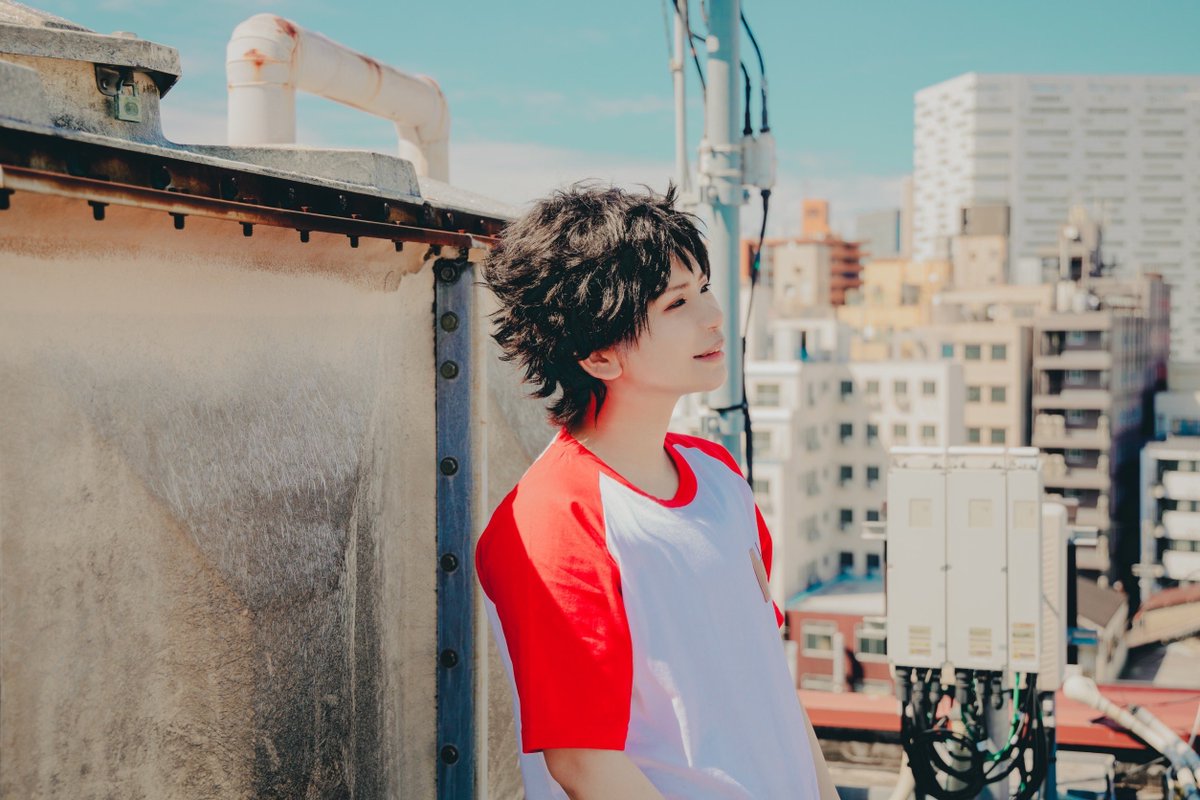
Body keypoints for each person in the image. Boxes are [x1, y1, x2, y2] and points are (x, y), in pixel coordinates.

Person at [475, 183, 839, 799]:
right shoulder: (555, 517)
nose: (713, 315)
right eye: (677, 303)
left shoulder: (717, 474)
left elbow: (770, 680)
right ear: (599, 356)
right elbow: (583, 763)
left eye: (704, 288)